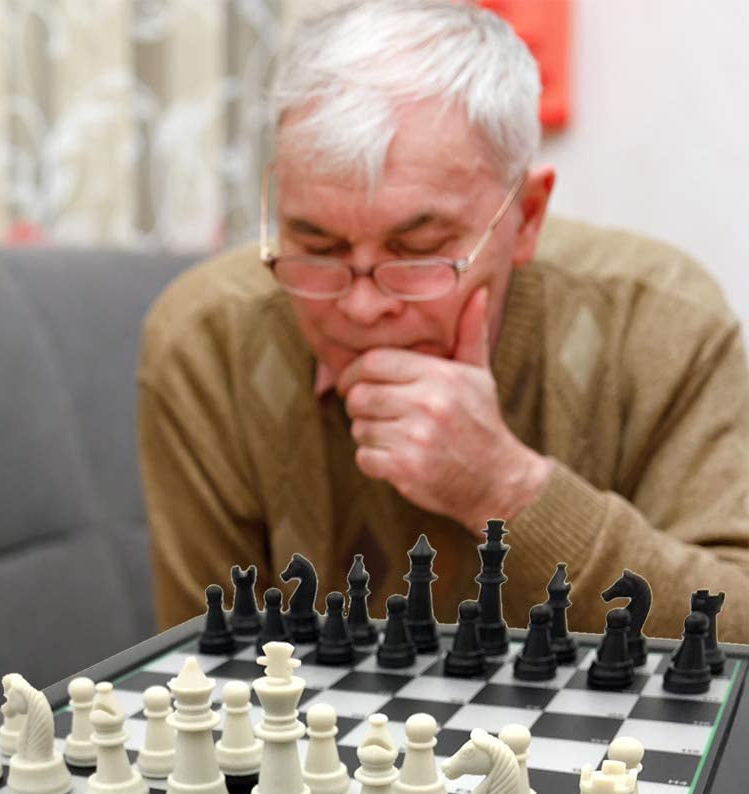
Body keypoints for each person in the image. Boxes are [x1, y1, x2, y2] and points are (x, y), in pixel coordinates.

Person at [138, 0, 749, 643]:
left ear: (528, 217)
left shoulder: (659, 320)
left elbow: (737, 630)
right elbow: (203, 675)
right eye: (317, 248)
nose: (363, 306)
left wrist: (509, 491)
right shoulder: (204, 341)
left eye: (419, 250)